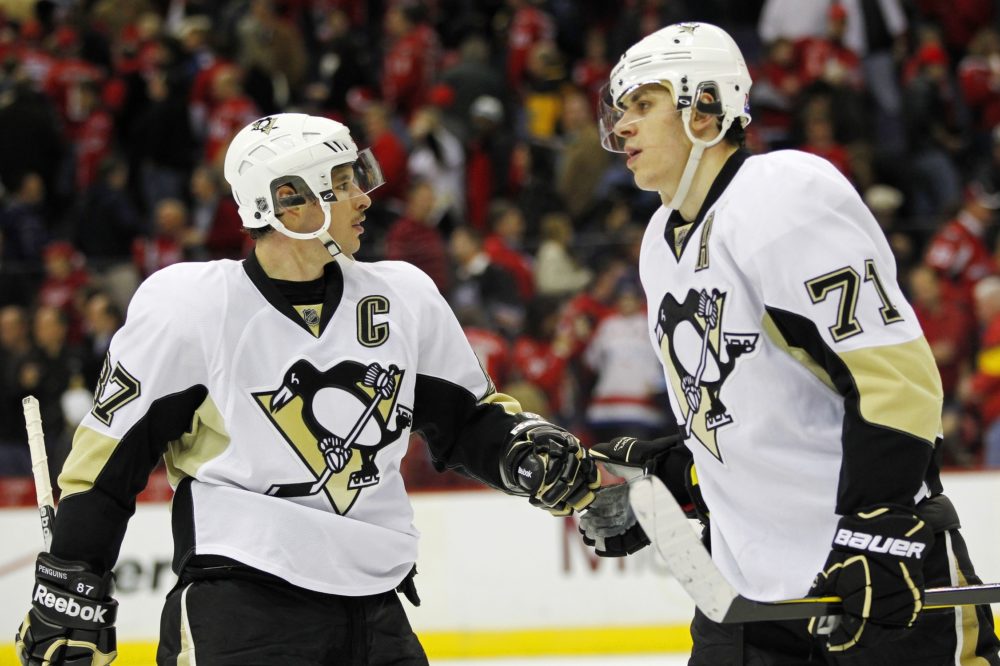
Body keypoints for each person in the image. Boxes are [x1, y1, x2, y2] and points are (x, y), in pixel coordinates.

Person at [15, 113, 600, 666]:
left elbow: (467, 421)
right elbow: (112, 458)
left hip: (374, 606)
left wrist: (523, 451)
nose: (364, 197)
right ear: (287, 201)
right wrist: (72, 574)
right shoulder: (193, 307)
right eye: (343, 183)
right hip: (241, 603)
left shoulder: (404, 296)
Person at [580, 22, 1000, 665]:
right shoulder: (660, 242)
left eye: (644, 104)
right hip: (745, 599)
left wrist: (877, 532)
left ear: (706, 107)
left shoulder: (781, 196)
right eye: (622, 111)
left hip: (869, 586)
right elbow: (758, 415)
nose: (625, 127)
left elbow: (895, 377)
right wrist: (672, 476)